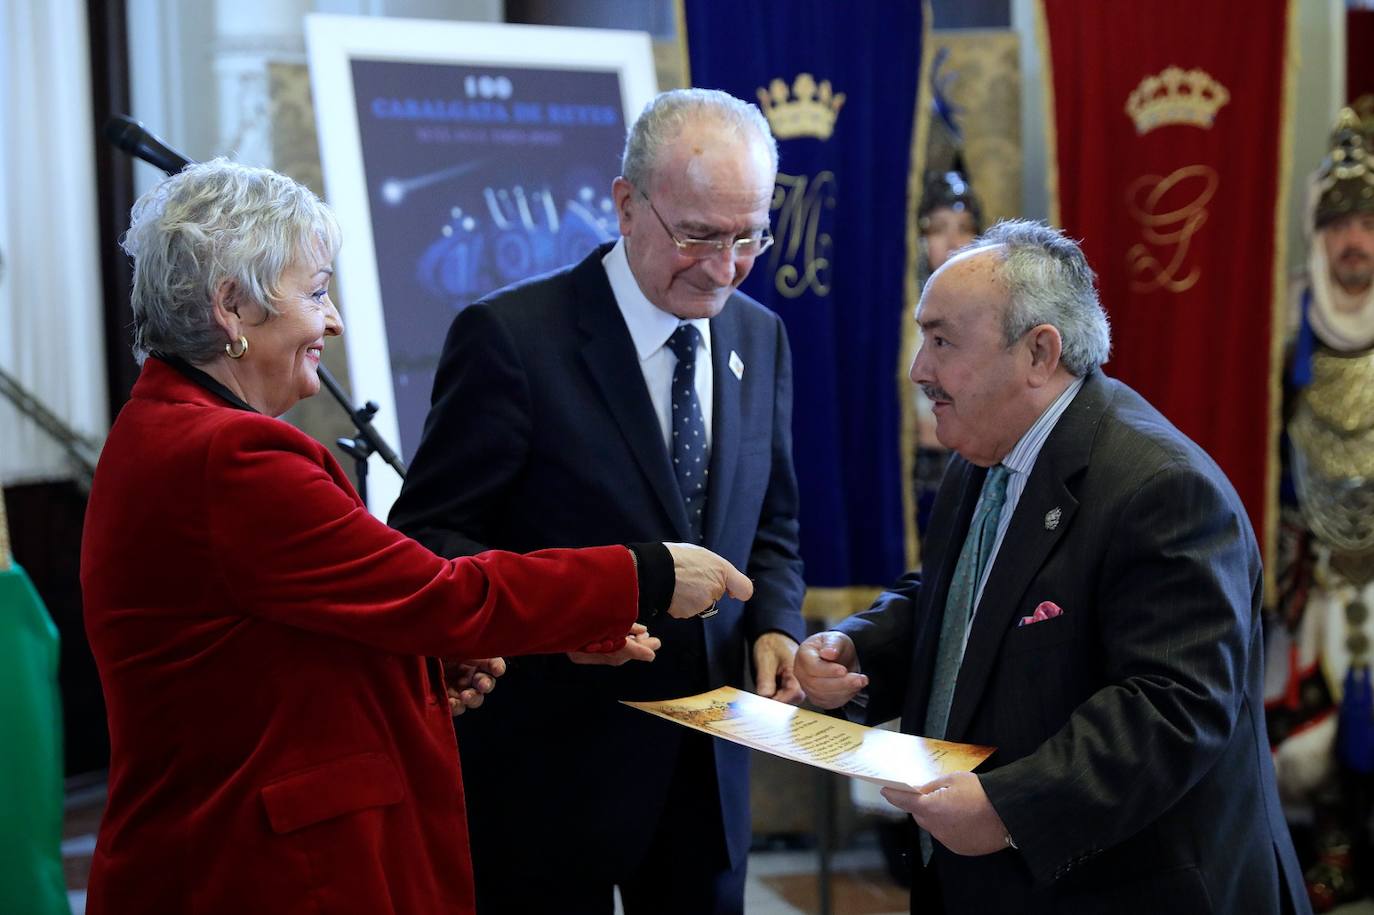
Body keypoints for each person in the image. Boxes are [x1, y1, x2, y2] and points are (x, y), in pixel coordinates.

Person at [79, 158, 750, 915]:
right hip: (252, 866)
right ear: (232, 308)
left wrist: (425, 666)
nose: (331, 321)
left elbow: (291, 635)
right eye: (317, 291)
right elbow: (437, 591)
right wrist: (644, 574)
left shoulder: (168, 430)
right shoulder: (231, 459)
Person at [796, 219, 1309, 913]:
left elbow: (1172, 707)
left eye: (943, 340)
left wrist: (1010, 807)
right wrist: (859, 648)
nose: (920, 369)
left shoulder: (1163, 488)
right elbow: (959, 597)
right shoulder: (983, 451)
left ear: (1040, 352)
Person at [389, 88, 806, 914]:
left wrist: (776, 625)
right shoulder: (511, 338)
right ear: (625, 203)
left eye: (747, 237)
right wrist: (569, 614)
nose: (724, 268)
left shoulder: (759, 335)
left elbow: (773, 524)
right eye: (698, 235)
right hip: (549, 780)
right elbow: (432, 542)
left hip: (708, 778)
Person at [1266, 104, 1374, 910]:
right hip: (1320, 562)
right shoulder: (1288, 328)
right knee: (1325, 712)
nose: (1354, 242)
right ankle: (1336, 845)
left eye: (1368, 223)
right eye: (1340, 225)